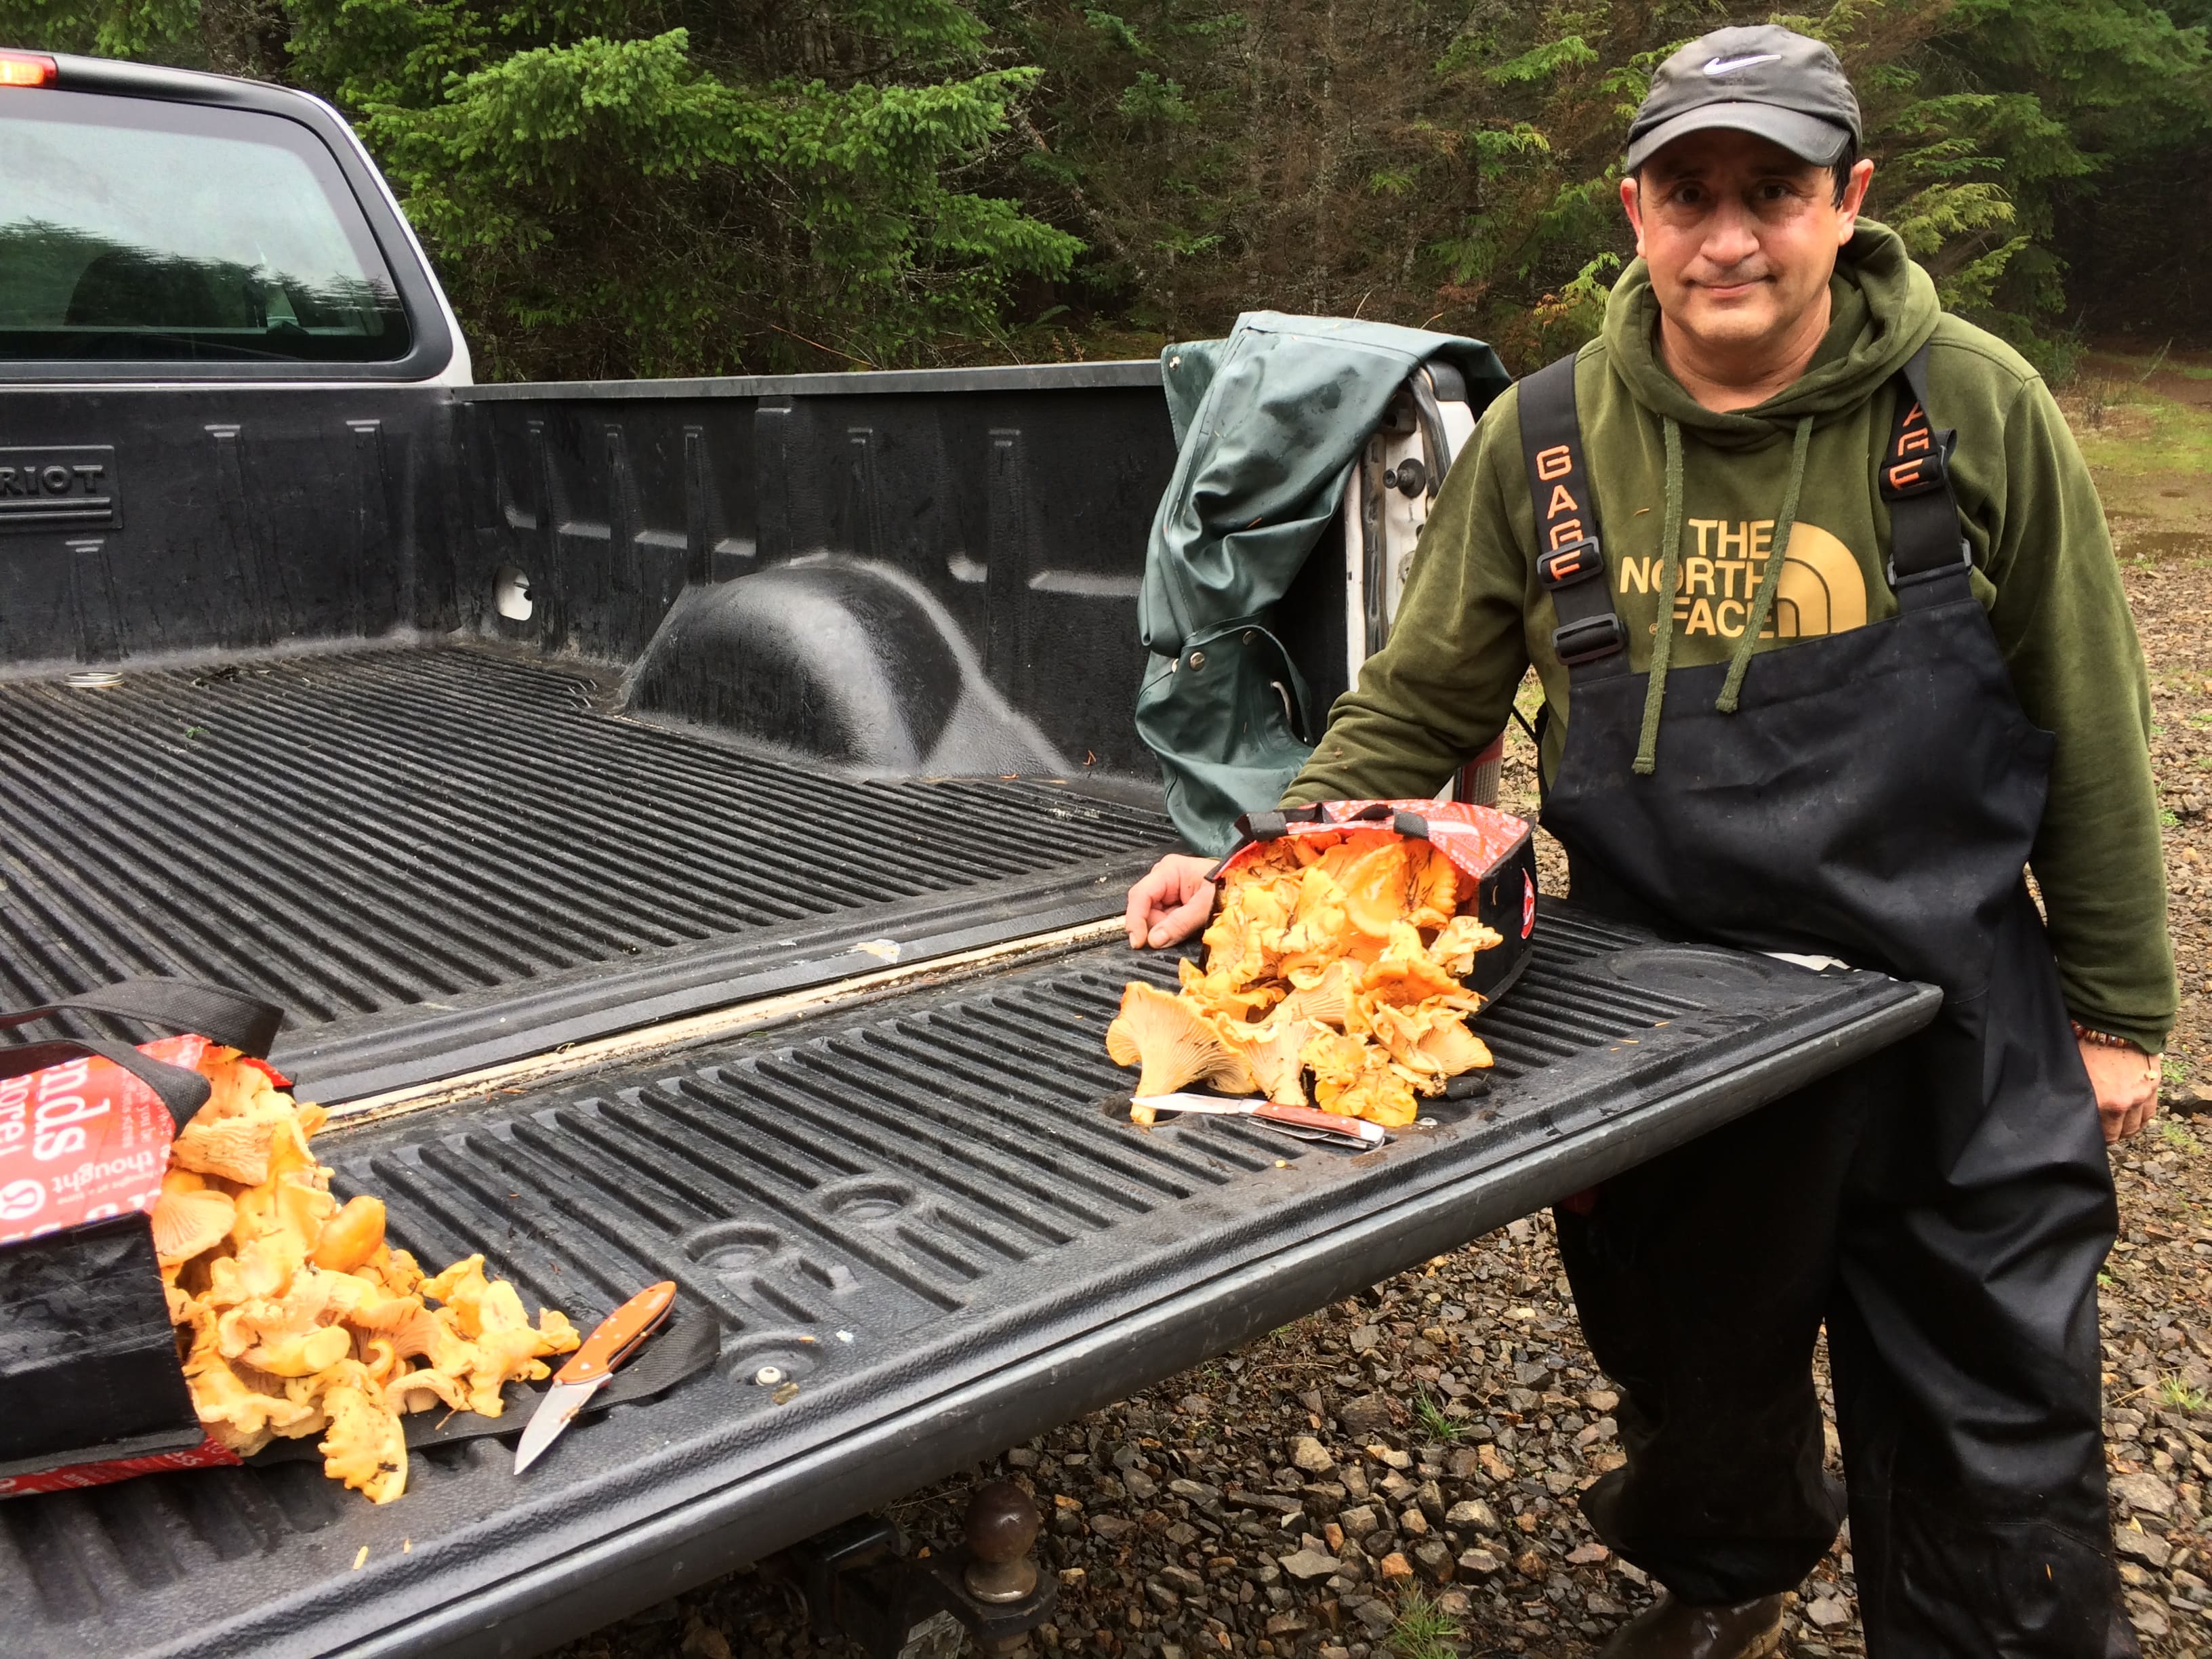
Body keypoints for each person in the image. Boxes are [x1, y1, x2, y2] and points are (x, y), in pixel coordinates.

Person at [1124, 24, 2175, 1658]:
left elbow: (2089, 713)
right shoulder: (1546, 438)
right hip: (1671, 1025)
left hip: (1958, 1019)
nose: (1731, 234)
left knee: (1999, 1426)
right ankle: (1729, 1579)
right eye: (1692, 192)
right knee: (1695, 1383)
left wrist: (2115, 1011)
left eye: (1775, 188)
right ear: (1636, 211)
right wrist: (1260, 859)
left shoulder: (1972, 402)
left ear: (1848, 202)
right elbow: (1416, 703)